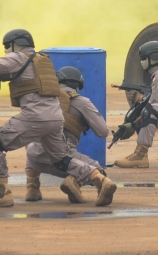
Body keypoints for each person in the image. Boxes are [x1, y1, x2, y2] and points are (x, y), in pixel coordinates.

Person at [0, 29, 116, 207]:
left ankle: (1, 193)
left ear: (14, 44)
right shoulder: (41, 60)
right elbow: (15, 74)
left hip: (35, 115)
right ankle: (99, 179)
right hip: (54, 117)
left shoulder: (19, 57)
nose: (6, 51)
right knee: (61, 160)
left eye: (7, 47)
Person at [24, 66, 109, 203]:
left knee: (34, 139)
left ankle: (32, 187)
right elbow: (103, 132)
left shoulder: (43, 99)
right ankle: (74, 182)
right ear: (78, 85)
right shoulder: (81, 101)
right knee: (97, 169)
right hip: (62, 160)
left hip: (35, 159)